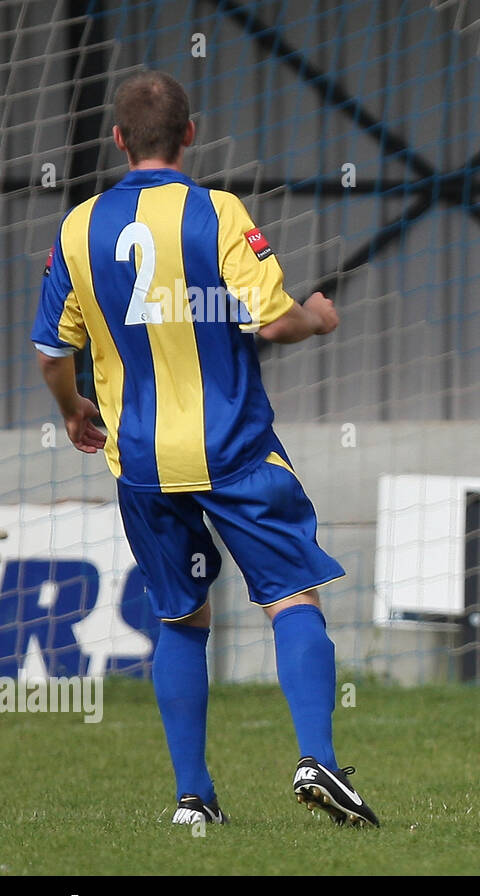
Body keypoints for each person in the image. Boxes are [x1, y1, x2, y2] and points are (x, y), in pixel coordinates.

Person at [30, 70, 379, 828]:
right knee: (291, 595)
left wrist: (71, 411)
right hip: (235, 451)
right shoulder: (216, 211)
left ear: (118, 139)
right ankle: (315, 755)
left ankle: (194, 799)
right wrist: (317, 317)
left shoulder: (78, 227)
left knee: (181, 617)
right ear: (190, 134)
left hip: (143, 462)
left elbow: (52, 353)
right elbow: (273, 320)